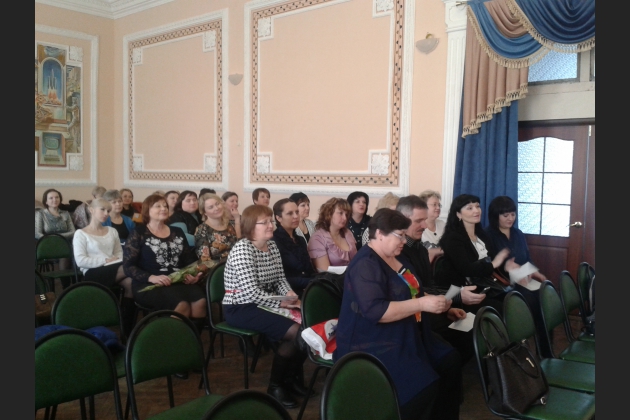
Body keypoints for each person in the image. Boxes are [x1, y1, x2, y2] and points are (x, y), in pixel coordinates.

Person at [334, 209, 462, 420]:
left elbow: (413, 291)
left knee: (450, 361)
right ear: (379, 234)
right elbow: (377, 311)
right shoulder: (366, 264)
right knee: (423, 387)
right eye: (399, 235)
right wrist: (422, 304)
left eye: (404, 234)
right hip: (372, 340)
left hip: (406, 329)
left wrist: (442, 306)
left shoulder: (396, 256)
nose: (404, 240)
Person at [222, 205, 306, 409]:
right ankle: (275, 386)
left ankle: (290, 379)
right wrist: (281, 302)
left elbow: (280, 279)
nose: (271, 225)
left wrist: (289, 294)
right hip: (240, 306)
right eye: (265, 222)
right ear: (251, 226)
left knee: (308, 326)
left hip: (265, 301)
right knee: (297, 333)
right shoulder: (243, 249)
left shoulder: (272, 246)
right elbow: (251, 293)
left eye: (271, 221)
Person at [396, 195, 474, 364]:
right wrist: (457, 295)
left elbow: (428, 286)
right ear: (402, 220)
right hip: (413, 317)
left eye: (425, 220)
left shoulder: (420, 249)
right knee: (454, 350)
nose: (424, 226)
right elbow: (414, 293)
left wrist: (448, 309)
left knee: (471, 328)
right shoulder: (398, 253)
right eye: (418, 221)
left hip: (426, 309)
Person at [123, 194, 206, 323]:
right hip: (150, 283)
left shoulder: (177, 231)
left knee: (200, 302)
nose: (163, 209)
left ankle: (190, 335)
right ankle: (168, 335)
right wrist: (151, 277)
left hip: (177, 280)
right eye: (158, 206)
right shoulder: (139, 233)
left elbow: (189, 260)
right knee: (181, 305)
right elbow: (128, 266)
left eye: (165, 206)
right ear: (147, 211)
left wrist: (193, 275)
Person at [436, 194, 517, 314]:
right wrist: (494, 264)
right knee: (505, 309)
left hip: (485, 286)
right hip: (463, 291)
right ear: (458, 214)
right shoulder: (452, 239)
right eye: (470, 208)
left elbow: (491, 264)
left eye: (477, 206)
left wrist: (507, 266)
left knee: (515, 301)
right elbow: (466, 269)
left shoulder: (482, 235)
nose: (476, 211)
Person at [73, 198, 135, 336]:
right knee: (130, 268)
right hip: (93, 272)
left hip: (115, 267)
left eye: (108, 210)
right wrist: (105, 260)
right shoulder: (80, 233)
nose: (106, 213)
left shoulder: (112, 231)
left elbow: (119, 253)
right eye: (102, 210)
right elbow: (80, 261)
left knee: (131, 283)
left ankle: (126, 328)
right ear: (91, 210)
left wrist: (114, 260)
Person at [485, 196, 546, 282]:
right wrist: (507, 268)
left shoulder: (518, 234)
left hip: (523, 281)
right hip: (500, 284)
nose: (510, 219)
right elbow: (486, 267)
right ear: (495, 216)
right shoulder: (486, 236)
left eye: (513, 214)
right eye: (506, 216)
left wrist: (534, 272)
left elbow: (527, 258)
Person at [272, 198, 316, 296]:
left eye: (297, 212)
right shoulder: (274, 242)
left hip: (307, 287)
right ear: (279, 218)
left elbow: (309, 270)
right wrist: (311, 282)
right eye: (290, 213)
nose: (296, 216)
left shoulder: (300, 240)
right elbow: (279, 279)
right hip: (288, 292)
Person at [307, 198, 357, 272]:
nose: (345, 218)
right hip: (331, 279)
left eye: (346, 214)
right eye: (340, 213)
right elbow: (324, 272)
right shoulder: (317, 238)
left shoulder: (348, 233)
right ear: (329, 213)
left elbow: (357, 261)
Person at [194, 193, 238, 261]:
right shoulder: (202, 230)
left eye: (217, 204)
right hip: (217, 266)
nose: (216, 208)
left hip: (236, 262)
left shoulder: (230, 224)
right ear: (205, 212)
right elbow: (205, 260)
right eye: (211, 207)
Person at [418, 190, 445, 263]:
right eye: (434, 205)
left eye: (439, 205)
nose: (438, 208)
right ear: (424, 206)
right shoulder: (418, 228)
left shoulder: (443, 224)